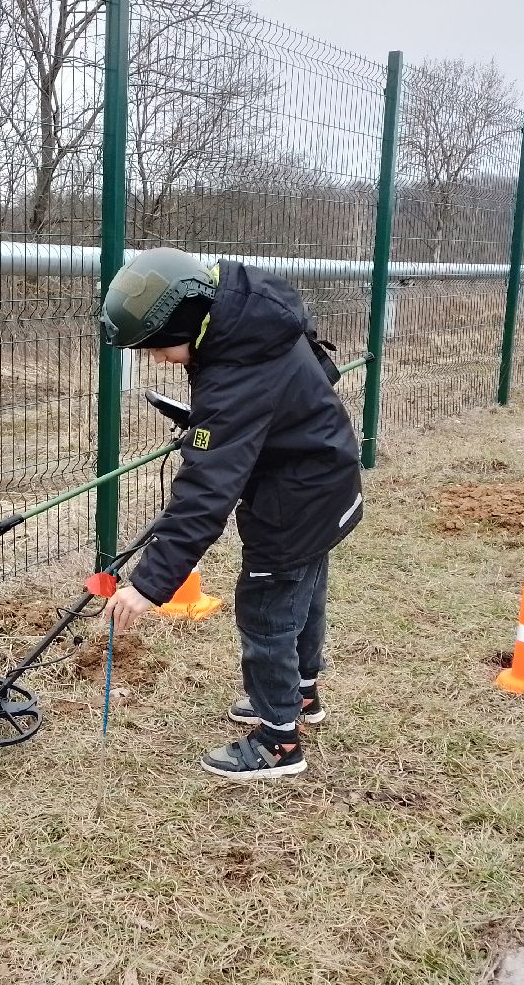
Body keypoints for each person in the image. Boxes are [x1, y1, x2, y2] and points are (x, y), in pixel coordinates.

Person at [99, 247, 363, 781]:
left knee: (267, 610)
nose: (154, 358)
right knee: (303, 594)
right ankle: (302, 695)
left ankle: (278, 743)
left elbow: (203, 496)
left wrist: (148, 586)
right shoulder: (249, 320)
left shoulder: (234, 376)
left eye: (155, 347)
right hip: (325, 480)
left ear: (188, 323)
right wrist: (221, 428)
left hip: (293, 500)